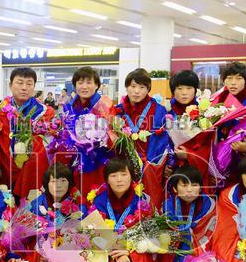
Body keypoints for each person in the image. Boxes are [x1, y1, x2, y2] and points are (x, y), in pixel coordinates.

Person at [0, 67, 57, 202]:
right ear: (10, 85)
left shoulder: (45, 112)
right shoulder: (0, 110)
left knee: (31, 206)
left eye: (29, 84)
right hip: (5, 166)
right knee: (5, 205)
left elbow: (49, 145)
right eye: (20, 83)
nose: (24, 88)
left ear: (34, 86)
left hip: (32, 169)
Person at [113, 68, 171, 208]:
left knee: (148, 204)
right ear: (126, 87)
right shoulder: (117, 111)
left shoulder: (158, 110)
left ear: (148, 89)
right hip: (123, 166)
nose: (136, 91)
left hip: (149, 166)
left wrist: (147, 165)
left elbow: (162, 142)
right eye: (133, 86)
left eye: (142, 87)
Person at [54, 66, 115, 193]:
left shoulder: (105, 106)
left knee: (97, 197)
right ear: (75, 86)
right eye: (80, 82)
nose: (84, 86)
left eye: (89, 82)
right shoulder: (68, 108)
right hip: (75, 163)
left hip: (100, 163)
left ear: (97, 85)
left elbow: (112, 136)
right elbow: (64, 133)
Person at [89, 157, 153, 262]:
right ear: (107, 180)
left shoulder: (141, 202)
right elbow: (93, 231)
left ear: (131, 177)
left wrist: (127, 250)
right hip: (106, 250)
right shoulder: (99, 201)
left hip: (131, 251)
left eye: (124, 174)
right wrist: (116, 252)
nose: (119, 179)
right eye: (113, 176)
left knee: (142, 255)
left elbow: (146, 233)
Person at [167, 70, 216, 189]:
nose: (184, 93)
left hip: (197, 169)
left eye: (189, 88)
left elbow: (209, 146)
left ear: (195, 90)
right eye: (179, 88)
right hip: (172, 168)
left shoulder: (206, 112)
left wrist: (189, 155)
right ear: (173, 91)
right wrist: (167, 163)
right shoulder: (166, 111)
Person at [162, 166, 216, 262]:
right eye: (184, 185)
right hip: (173, 256)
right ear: (174, 188)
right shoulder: (167, 207)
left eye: (194, 185)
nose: (189, 190)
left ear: (200, 188)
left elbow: (212, 234)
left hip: (202, 256)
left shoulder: (209, 206)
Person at [209, 61, 246, 155]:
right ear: (224, 80)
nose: (233, 83)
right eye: (229, 78)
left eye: (239, 79)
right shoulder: (216, 101)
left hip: (242, 160)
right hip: (217, 155)